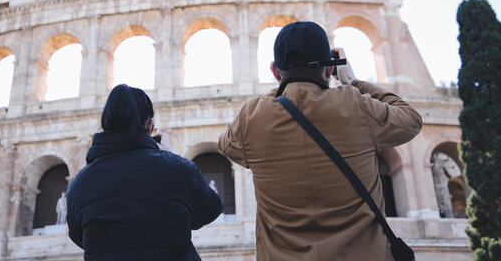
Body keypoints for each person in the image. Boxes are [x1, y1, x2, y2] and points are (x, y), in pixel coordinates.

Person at [218, 21, 423, 261]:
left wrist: (283, 88)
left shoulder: (252, 117)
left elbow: (226, 145)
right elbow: (411, 120)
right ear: (329, 69)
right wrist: (352, 82)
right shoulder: (355, 105)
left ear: (275, 71)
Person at [67, 84, 223, 260]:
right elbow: (211, 210)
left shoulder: (78, 186)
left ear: (106, 126)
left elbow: (78, 236)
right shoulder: (177, 168)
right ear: (149, 126)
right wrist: (167, 155)